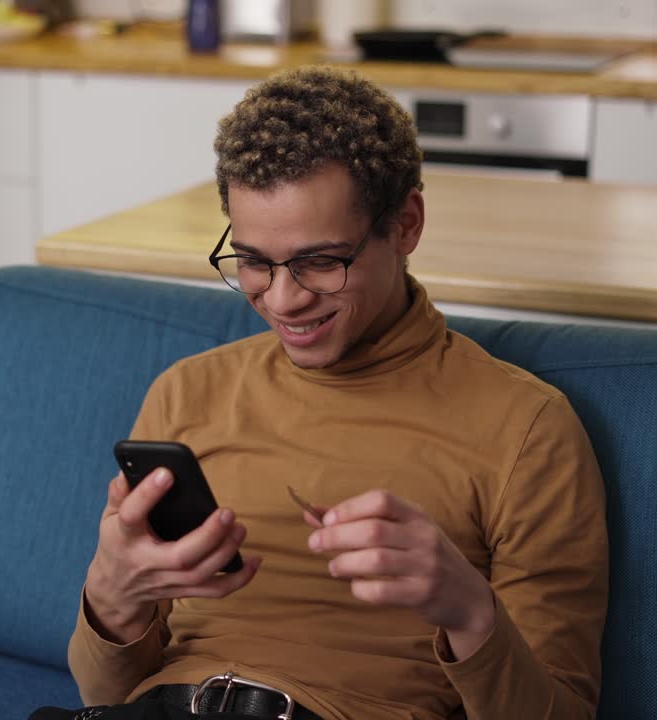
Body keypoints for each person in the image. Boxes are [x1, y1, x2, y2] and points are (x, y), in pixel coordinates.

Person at [32, 66, 608, 720]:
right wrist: (112, 597)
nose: (283, 299)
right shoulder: (187, 393)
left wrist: (471, 612)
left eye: (321, 261)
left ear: (406, 225)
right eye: (252, 260)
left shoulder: (526, 430)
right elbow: (102, 695)